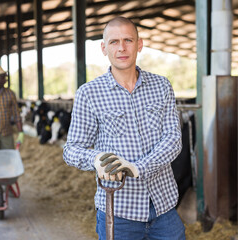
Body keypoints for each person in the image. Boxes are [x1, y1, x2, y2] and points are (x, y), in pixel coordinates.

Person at [63, 16, 185, 239]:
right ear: (103, 48)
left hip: (163, 207)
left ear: (139, 45)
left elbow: (173, 139)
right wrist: (96, 159)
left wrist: (138, 167)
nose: (121, 48)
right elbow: (71, 149)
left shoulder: (161, 86)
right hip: (118, 212)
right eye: (114, 42)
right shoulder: (89, 94)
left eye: (128, 40)